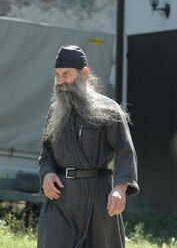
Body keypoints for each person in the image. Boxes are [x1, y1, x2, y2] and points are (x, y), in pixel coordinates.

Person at [37, 45, 139, 248]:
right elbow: (46, 153)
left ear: (84, 74)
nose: (60, 81)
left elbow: (125, 151)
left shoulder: (108, 109)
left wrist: (120, 188)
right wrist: (47, 174)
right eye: (57, 74)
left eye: (67, 74)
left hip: (98, 197)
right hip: (61, 198)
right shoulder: (54, 112)